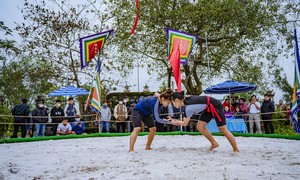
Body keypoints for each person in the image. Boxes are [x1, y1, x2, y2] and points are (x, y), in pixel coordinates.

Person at [170, 91, 239, 153]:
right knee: (200, 127)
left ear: (176, 100)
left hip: (215, 106)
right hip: (208, 107)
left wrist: (174, 122)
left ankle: (236, 149)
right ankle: (214, 143)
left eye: (172, 103)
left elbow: (184, 123)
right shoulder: (186, 99)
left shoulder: (188, 108)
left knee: (223, 129)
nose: (173, 105)